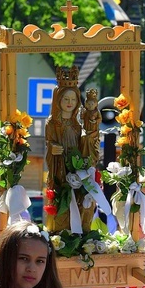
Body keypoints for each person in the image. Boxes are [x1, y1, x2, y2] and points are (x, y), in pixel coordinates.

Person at [45, 66, 82, 233]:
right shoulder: (52, 123)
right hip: (59, 167)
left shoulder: (77, 124)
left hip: (75, 167)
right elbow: (49, 142)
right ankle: (59, 232)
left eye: (73, 100)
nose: (69, 103)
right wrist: (53, 149)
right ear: (58, 100)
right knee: (60, 199)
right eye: (66, 99)